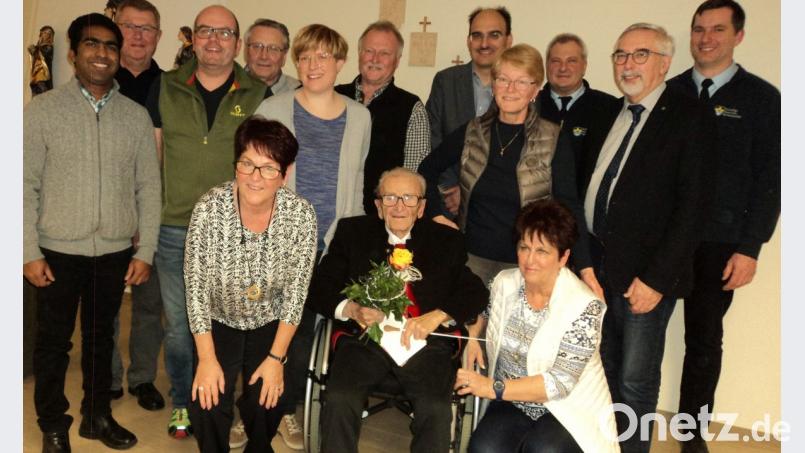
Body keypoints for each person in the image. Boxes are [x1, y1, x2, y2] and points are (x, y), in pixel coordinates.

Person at [24, 12, 161, 452]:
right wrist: (27, 249)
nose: (102, 53)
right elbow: (22, 184)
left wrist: (146, 251)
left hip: (115, 251)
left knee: (102, 342)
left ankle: (96, 416)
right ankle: (53, 423)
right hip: (57, 250)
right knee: (53, 345)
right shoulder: (42, 111)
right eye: (92, 44)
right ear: (73, 52)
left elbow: (149, 186)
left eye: (110, 46)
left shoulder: (136, 116)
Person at [581, 23, 715, 453]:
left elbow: (692, 211)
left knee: (636, 383)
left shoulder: (688, 117)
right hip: (600, 270)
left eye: (640, 55)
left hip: (646, 279)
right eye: (621, 55)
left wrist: (656, 280)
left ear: (664, 63)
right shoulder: (610, 114)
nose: (627, 64)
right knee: (602, 375)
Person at [145, 4, 265, 439]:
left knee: (230, 325)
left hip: (234, 233)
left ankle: (218, 404)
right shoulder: (165, 86)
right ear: (192, 39)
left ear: (237, 41)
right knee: (181, 327)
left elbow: (263, 165)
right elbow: (152, 157)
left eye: (224, 32)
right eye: (205, 31)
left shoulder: (258, 93)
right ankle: (184, 400)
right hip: (174, 228)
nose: (214, 40)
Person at [666, 2, 780, 452]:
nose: (706, 38)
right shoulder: (669, 91)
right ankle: (624, 420)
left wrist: (750, 246)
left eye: (717, 29)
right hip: (664, 238)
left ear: (739, 36)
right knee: (640, 335)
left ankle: (691, 435)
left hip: (719, 242)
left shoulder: (762, 99)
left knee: (704, 342)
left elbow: (770, 180)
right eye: (698, 29)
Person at [308, 167, 488, 452]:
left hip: (425, 344)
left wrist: (438, 315)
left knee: (436, 408)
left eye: (409, 198)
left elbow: (476, 291)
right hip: (365, 340)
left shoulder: (446, 240)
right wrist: (352, 309)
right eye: (390, 198)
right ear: (379, 206)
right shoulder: (353, 233)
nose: (400, 207)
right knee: (340, 397)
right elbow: (320, 287)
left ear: (422, 207)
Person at [254, 23, 370, 450]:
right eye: (304, 57)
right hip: (281, 238)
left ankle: (284, 410)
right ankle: (252, 412)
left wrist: (351, 244)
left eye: (323, 56)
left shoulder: (360, 116)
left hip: (332, 241)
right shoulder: (274, 108)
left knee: (307, 332)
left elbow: (356, 182)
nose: (313, 64)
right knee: (268, 327)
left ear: (341, 63)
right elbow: (258, 178)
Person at [418, 43, 599, 297]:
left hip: (527, 265)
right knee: (468, 332)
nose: (510, 89)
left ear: (535, 90)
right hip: (472, 260)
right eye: (503, 79)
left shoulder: (553, 137)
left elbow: (570, 205)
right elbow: (426, 169)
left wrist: (586, 268)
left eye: (521, 82)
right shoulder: (472, 131)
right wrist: (437, 216)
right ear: (493, 84)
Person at [185, 116, 317, 453]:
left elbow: (295, 295)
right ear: (236, 164)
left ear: (284, 174)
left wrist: (276, 359)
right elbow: (196, 290)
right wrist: (206, 359)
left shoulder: (300, 215)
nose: (255, 177)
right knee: (207, 403)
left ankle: (259, 446)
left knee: (267, 401)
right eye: (247, 164)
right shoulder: (208, 209)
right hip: (219, 319)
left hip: (270, 322)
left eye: (269, 167)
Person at [457, 200, 619, 453]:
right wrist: (473, 337)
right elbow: (484, 312)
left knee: (544, 449)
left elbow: (559, 383)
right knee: (483, 448)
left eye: (542, 251)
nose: (529, 260)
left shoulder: (585, 305)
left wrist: (493, 387)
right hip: (511, 401)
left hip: (565, 407)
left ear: (563, 257)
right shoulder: (504, 283)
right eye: (524, 247)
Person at [109, 0, 166, 412]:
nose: (138, 35)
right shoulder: (97, 81)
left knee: (149, 304)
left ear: (158, 36)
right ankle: (107, 376)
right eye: (130, 26)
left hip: (152, 210)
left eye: (147, 29)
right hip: (105, 211)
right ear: (117, 28)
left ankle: (143, 377)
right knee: (107, 301)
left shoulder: (171, 86)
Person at [426, 7, 513, 218]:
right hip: (447, 207)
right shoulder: (445, 82)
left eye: (494, 35)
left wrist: (470, 193)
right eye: (477, 35)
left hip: (496, 211)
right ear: (468, 41)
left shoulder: (519, 89)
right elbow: (432, 138)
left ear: (508, 41)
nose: (484, 44)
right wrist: (449, 189)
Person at [335, 20, 430, 213]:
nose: (375, 59)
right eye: (369, 51)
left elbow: (412, 178)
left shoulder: (412, 108)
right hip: (331, 210)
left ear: (397, 60)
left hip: (382, 218)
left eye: (385, 53)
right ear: (360, 54)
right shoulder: (334, 97)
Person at [536, 33, 618, 191]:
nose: (563, 68)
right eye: (555, 61)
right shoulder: (529, 106)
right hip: (536, 206)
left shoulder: (608, 108)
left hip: (584, 207)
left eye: (571, 61)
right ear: (547, 65)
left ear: (584, 66)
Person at [244, 19, 300, 98]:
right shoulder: (227, 86)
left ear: (284, 56)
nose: (264, 56)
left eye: (273, 49)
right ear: (246, 51)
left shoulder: (300, 94)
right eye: (257, 46)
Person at [28, 25, 54, 96]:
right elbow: (34, 56)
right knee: (35, 86)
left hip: (43, 72)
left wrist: (35, 50)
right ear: (41, 34)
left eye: (49, 33)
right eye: (45, 32)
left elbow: (45, 53)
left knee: (42, 85)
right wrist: (32, 51)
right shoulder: (38, 47)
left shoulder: (48, 46)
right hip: (36, 70)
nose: (47, 35)